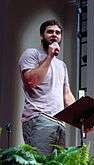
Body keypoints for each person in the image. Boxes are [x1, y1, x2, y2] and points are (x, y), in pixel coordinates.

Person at [18, 19, 75, 154]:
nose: (54, 35)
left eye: (58, 32)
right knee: (41, 161)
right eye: (50, 32)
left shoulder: (61, 65)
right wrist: (49, 57)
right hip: (39, 119)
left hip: (60, 123)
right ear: (42, 36)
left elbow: (66, 95)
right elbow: (31, 82)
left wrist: (81, 119)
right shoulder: (32, 54)